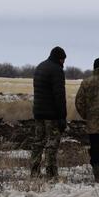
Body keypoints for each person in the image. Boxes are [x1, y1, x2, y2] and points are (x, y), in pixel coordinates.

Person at [30, 46, 67, 179]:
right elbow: (59, 95)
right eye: (63, 60)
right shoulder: (56, 70)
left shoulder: (40, 66)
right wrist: (62, 116)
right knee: (52, 143)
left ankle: (34, 171)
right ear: (60, 58)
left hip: (38, 112)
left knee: (38, 142)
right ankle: (51, 174)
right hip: (52, 115)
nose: (64, 63)